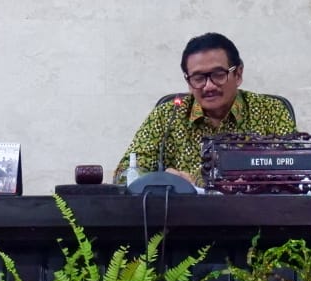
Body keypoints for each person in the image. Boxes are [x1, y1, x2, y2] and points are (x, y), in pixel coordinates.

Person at [116, 32, 297, 186]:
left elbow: (296, 169)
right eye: (198, 78)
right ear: (188, 81)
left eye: (218, 75)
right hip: (182, 216)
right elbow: (124, 175)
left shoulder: (271, 111)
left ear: (238, 74)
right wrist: (162, 180)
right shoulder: (166, 116)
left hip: (253, 214)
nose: (209, 86)